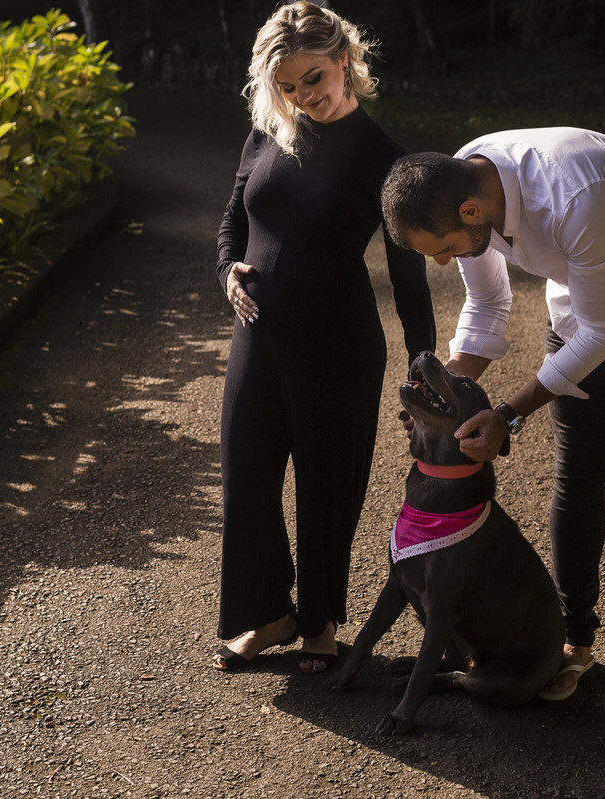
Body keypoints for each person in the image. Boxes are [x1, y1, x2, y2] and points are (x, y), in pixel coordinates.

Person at [380, 128, 605, 699]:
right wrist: (443, 398)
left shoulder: (574, 191)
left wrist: (507, 414)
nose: (445, 262)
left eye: (445, 248)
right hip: (586, 300)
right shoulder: (465, 187)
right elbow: (488, 302)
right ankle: (573, 641)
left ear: (471, 211)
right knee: (578, 477)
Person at [212, 2, 436, 674]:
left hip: (338, 349)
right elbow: (231, 222)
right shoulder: (267, 134)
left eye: (312, 78)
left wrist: (424, 369)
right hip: (258, 339)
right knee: (246, 479)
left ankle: (319, 623)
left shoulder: (384, 159)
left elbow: (410, 279)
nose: (301, 96)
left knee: (326, 483)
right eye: (286, 85)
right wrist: (226, 272)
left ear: (345, 60)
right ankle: (270, 613)